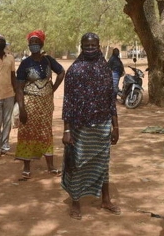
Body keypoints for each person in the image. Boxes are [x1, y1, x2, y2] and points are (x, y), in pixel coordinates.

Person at [61, 32, 120, 220]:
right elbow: (68, 102)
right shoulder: (74, 71)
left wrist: (115, 126)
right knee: (78, 163)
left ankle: (106, 199)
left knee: (103, 163)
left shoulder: (105, 69)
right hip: (80, 126)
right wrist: (67, 130)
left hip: (102, 124)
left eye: (93, 45)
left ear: (99, 46)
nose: (90, 49)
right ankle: (76, 202)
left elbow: (111, 100)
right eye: (86, 46)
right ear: (81, 46)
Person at [15, 30, 65, 179]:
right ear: (28, 45)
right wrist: (22, 108)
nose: (34, 45)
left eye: (37, 43)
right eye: (31, 43)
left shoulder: (48, 60)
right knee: (27, 131)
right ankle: (26, 167)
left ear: (42, 44)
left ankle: (50, 166)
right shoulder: (25, 63)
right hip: (30, 102)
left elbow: (61, 72)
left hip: (46, 104)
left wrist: (53, 89)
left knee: (46, 131)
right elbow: (19, 88)